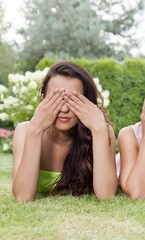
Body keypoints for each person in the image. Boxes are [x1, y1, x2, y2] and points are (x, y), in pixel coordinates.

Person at [12, 61, 118, 202]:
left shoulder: (101, 130)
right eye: (57, 99)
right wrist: (35, 131)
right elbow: (22, 197)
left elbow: (106, 196)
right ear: (43, 97)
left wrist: (98, 130)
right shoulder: (25, 131)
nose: (64, 109)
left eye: (73, 100)